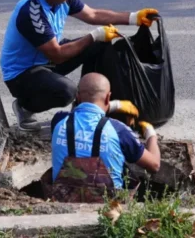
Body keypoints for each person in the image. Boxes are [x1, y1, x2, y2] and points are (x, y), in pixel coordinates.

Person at [0, 0, 159, 131]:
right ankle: (25, 106)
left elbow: (92, 14)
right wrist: (93, 36)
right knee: (66, 91)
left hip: (45, 59)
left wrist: (133, 18)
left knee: (101, 44)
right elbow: (57, 55)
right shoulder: (32, 12)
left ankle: (89, 107)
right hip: (23, 74)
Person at [48, 73, 161, 201]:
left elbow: (76, 112)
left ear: (78, 96)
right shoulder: (119, 130)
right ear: (108, 98)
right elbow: (154, 165)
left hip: (62, 201)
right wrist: (151, 136)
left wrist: (111, 105)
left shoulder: (59, 121)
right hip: (108, 205)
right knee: (124, 163)